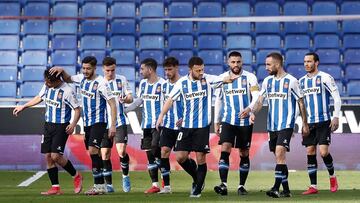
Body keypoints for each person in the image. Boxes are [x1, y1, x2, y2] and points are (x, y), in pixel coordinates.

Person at [156, 56, 238, 198]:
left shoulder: (207, 79)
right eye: (197, 70)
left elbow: (223, 79)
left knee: (201, 157)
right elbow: (170, 99)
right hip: (186, 126)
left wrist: (230, 78)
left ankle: (198, 188)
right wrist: (161, 116)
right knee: (180, 157)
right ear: (190, 69)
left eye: (202, 69)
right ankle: (197, 177)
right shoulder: (182, 83)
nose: (200, 72)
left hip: (202, 127)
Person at [50, 56, 117, 195]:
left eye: (88, 69)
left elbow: (112, 103)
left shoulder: (102, 83)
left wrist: (113, 125)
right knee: (95, 153)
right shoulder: (81, 78)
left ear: (94, 68)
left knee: (93, 151)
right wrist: (62, 70)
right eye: (84, 68)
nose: (86, 71)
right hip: (87, 123)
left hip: (99, 122)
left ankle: (98, 186)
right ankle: (102, 185)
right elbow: (68, 79)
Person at [247, 52, 309, 198]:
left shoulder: (292, 81)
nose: (266, 67)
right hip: (272, 126)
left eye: (269, 64)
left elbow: (301, 102)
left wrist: (304, 123)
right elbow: (260, 101)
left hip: (286, 124)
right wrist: (253, 112)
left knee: (280, 153)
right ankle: (286, 190)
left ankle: (275, 188)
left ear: (278, 64)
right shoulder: (267, 81)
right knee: (279, 158)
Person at [13, 69, 83, 195]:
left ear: (57, 80)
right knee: (48, 157)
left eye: (49, 82)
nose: (46, 83)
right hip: (48, 125)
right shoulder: (47, 85)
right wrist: (23, 106)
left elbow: (77, 110)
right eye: (45, 81)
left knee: (56, 156)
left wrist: (73, 124)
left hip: (61, 126)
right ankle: (55, 188)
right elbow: (39, 97)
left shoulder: (67, 91)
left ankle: (76, 175)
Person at [213, 51, 259, 196]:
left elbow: (256, 96)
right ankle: (223, 184)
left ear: (242, 62)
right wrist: (216, 121)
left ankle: (241, 186)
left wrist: (250, 110)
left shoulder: (250, 77)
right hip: (228, 120)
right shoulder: (222, 79)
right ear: (228, 63)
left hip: (245, 121)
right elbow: (219, 100)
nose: (236, 65)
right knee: (225, 148)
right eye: (233, 62)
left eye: (238, 62)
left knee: (244, 153)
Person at [299, 52, 341, 195]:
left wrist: (335, 117)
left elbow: (336, 98)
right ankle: (313, 186)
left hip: (323, 121)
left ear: (316, 62)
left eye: (309, 61)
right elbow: (300, 104)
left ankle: (332, 177)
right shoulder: (302, 81)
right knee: (310, 152)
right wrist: (301, 122)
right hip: (308, 123)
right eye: (305, 61)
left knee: (324, 152)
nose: (306, 64)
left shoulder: (325, 78)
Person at [125, 58, 165, 194]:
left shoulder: (163, 84)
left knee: (156, 150)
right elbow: (139, 101)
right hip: (146, 125)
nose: (140, 71)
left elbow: (168, 103)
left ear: (150, 69)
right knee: (149, 154)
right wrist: (126, 109)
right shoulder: (143, 84)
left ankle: (165, 178)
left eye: (142, 69)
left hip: (159, 125)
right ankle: (155, 185)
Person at [100, 57, 133, 193]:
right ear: (103, 69)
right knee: (105, 154)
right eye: (108, 70)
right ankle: (109, 185)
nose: (110, 73)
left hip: (120, 121)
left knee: (121, 151)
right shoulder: (99, 82)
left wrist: (126, 99)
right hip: (103, 123)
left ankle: (125, 176)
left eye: (113, 70)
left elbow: (130, 97)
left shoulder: (122, 80)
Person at [157, 57, 183, 194]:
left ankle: (196, 176)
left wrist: (184, 117)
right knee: (164, 151)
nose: (167, 72)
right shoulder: (164, 85)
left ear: (176, 68)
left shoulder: (185, 83)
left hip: (183, 126)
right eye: (165, 69)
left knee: (182, 157)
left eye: (170, 69)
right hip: (167, 125)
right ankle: (166, 186)